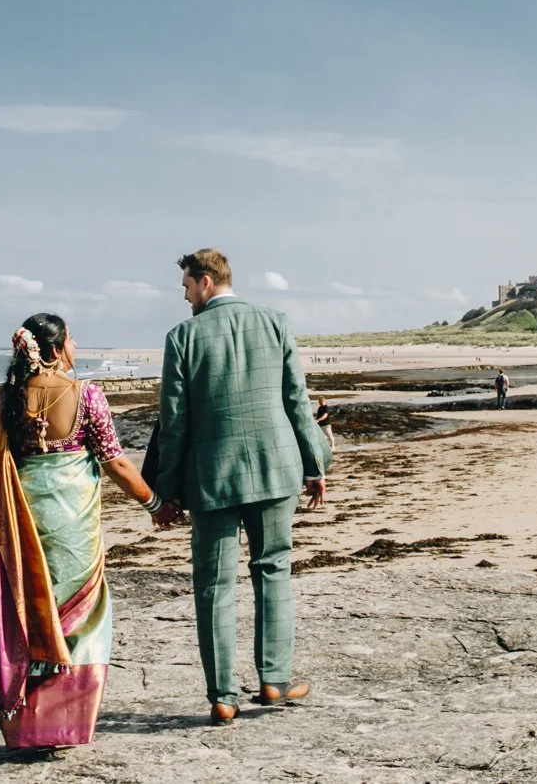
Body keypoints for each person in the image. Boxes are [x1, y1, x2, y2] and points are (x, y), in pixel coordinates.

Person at [0, 313, 160, 753]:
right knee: (83, 619)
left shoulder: (3, 404)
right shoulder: (86, 396)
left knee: (27, 617)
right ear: (54, 349)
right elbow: (116, 463)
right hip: (73, 531)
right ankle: (65, 725)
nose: (75, 345)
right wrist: (155, 503)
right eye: (71, 339)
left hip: (21, 530)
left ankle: (28, 728)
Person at [153, 249, 331, 726]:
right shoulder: (275, 323)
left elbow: (174, 423)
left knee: (213, 587)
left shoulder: (182, 337)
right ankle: (274, 680)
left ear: (206, 281)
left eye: (187, 286)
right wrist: (315, 466)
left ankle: (224, 698)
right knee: (272, 571)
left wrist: (165, 490)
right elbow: (297, 400)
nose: (186, 295)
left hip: (211, 478)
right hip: (276, 470)